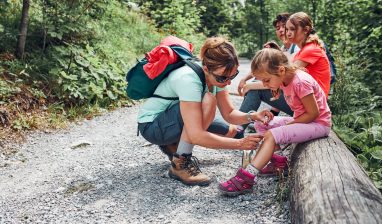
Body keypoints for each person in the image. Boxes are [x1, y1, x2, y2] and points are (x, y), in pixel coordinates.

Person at [137, 37, 273, 186]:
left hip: (173, 117)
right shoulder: (189, 79)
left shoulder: (217, 76)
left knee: (232, 131)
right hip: (152, 126)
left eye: (233, 76)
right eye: (223, 78)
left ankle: (174, 143)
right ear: (206, 69)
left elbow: (229, 113)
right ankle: (180, 164)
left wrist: (252, 116)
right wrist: (240, 144)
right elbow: (196, 135)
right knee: (208, 101)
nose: (228, 82)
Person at [218, 48, 332, 196]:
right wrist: (272, 116)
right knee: (262, 123)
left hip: (318, 124)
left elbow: (313, 113)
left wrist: (289, 125)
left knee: (272, 134)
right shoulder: (284, 79)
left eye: (266, 80)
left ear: (281, 70)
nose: (265, 85)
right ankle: (279, 162)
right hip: (305, 121)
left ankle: (246, 178)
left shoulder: (300, 82)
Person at [237, 13, 298, 132]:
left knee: (256, 88)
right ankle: (249, 120)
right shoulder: (285, 48)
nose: (281, 30)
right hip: (294, 98)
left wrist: (250, 85)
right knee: (258, 81)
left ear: (292, 28)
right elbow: (263, 69)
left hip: (305, 105)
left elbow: (286, 77)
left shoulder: (297, 48)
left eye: (284, 26)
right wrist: (245, 79)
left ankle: (238, 129)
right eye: (277, 28)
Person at [286, 11, 331, 96]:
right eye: (287, 29)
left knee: (258, 91)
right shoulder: (303, 50)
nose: (288, 33)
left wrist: (252, 86)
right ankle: (271, 110)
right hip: (306, 96)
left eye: (292, 29)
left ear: (306, 30)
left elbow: (285, 76)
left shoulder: (311, 49)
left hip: (315, 102)